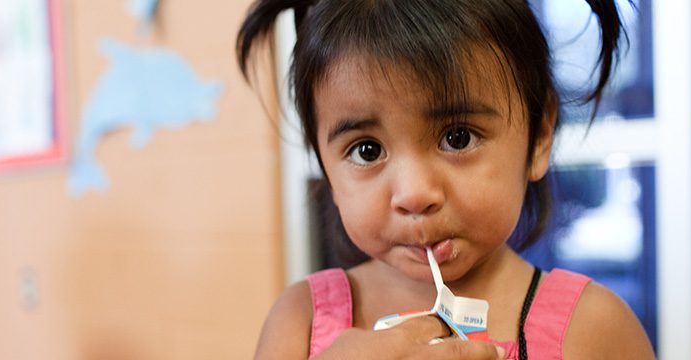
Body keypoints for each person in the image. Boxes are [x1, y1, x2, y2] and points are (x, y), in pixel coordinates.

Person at [236, 0, 655, 358]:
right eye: (367, 150)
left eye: (458, 138)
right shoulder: (301, 323)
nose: (415, 194)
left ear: (540, 134)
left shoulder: (595, 330)